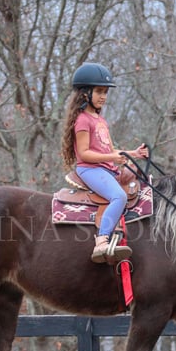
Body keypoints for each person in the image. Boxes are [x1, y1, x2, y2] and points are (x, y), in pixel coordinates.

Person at [60, 62, 149, 263]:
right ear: (85, 93)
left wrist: (133, 153)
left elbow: (107, 150)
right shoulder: (83, 120)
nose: (103, 96)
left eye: (105, 92)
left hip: (104, 167)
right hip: (89, 170)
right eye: (99, 91)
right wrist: (112, 158)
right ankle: (101, 241)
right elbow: (84, 154)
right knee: (118, 196)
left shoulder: (100, 119)